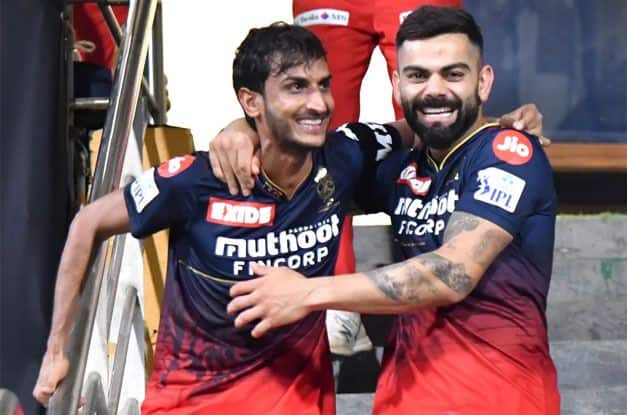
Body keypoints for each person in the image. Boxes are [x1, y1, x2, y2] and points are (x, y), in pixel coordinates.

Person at [32, 22, 419, 414]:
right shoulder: (197, 180)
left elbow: (419, 130)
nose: (319, 103)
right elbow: (88, 223)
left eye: (323, 85)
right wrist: (57, 350)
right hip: (195, 403)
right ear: (251, 102)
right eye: (296, 87)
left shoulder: (345, 154)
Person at [224, 6, 560, 414]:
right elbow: (310, 168)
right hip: (401, 402)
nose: (435, 90)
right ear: (398, 85)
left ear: (483, 82)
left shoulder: (508, 154)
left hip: (499, 402)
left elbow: (450, 274)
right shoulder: (403, 169)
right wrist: (247, 127)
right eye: (418, 76)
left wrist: (309, 293)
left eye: (453, 74)